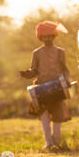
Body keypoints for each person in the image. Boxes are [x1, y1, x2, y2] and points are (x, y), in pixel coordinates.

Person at [20, 21, 71, 150]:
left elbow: (65, 69)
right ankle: (49, 144)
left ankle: (57, 143)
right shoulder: (36, 53)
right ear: (40, 37)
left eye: (50, 36)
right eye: (44, 36)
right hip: (41, 90)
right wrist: (27, 74)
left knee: (58, 118)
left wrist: (66, 80)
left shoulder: (60, 52)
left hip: (57, 88)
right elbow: (34, 71)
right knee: (44, 118)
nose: (47, 39)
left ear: (54, 36)